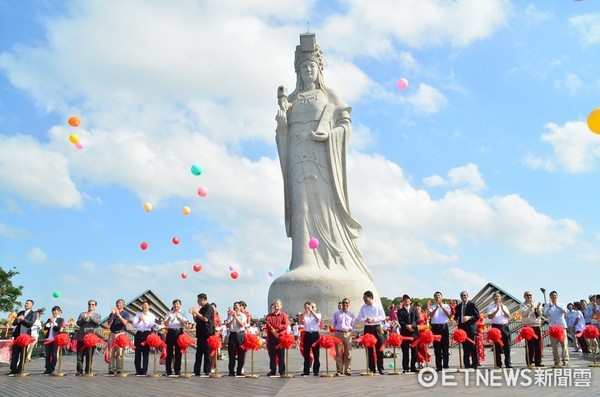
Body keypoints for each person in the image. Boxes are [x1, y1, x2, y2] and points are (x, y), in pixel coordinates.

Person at [274, 33, 372, 281]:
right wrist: (283, 122)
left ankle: (334, 260)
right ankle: (303, 261)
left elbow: (345, 125)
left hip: (323, 164)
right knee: (302, 210)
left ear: (319, 69)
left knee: (325, 210)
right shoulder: (292, 99)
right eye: (304, 66)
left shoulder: (330, 96)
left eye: (312, 66)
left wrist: (329, 135)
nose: (308, 70)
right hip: (298, 163)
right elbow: (281, 134)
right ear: (298, 71)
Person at [357, 290, 386, 374]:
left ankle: (380, 367)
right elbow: (359, 318)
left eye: (366, 297)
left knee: (379, 347)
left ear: (371, 297)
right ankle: (372, 368)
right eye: (363, 298)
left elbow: (383, 316)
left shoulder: (378, 305)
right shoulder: (363, 307)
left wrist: (374, 319)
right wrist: (365, 319)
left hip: (376, 327)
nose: (364, 299)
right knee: (369, 348)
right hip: (368, 328)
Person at [9, 299, 37, 375]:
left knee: (23, 353)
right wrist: (18, 319)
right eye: (25, 303)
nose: (26, 304)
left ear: (32, 305)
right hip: (17, 335)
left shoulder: (33, 313)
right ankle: (13, 369)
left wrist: (23, 319)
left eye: (28, 303)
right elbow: (14, 323)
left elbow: (30, 323)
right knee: (15, 353)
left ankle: (20, 369)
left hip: (25, 336)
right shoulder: (21, 312)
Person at [190, 293, 214, 377]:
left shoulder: (209, 307)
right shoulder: (202, 308)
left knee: (207, 353)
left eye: (198, 299)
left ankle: (207, 370)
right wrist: (193, 313)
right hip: (200, 334)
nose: (197, 301)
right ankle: (196, 371)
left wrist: (196, 312)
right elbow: (197, 319)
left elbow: (205, 318)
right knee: (198, 353)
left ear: (203, 299)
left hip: (207, 333)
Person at [74, 300, 101, 375]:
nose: (91, 306)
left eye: (93, 304)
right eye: (89, 304)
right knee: (80, 355)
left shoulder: (97, 315)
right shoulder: (82, 314)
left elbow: (98, 323)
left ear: (95, 306)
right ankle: (79, 371)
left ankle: (88, 370)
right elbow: (78, 323)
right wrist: (83, 318)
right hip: (81, 338)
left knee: (89, 356)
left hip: (91, 339)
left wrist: (91, 316)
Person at [486, 292, 512, 368]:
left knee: (507, 345)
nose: (497, 298)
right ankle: (498, 363)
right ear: (493, 298)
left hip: (504, 326)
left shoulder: (504, 306)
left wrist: (502, 309)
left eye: (498, 296)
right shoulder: (490, 307)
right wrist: (496, 310)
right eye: (495, 297)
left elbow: (508, 316)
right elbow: (490, 317)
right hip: (495, 327)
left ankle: (508, 363)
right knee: (496, 346)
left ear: (501, 298)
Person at [543, 290, 569, 367]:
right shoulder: (547, 305)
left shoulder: (561, 304)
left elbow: (564, 311)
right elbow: (545, 313)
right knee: (554, 346)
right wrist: (551, 306)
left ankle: (565, 360)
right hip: (553, 327)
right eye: (552, 296)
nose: (554, 297)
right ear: (550, 297)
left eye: (555, 295)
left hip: (561, 327)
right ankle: (556, 361)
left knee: (564, 345)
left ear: (557, 296)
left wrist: (556, 305)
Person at [265, 298, 289, 376]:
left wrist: (277, 330)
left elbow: (285, 324)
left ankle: (282, 370)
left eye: (278, 304)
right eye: (275, 304)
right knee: (272, 355)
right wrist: (273, 330)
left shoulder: (284, 315)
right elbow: (268, 324)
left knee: (281, 354)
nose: (276, 305)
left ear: (281, 306)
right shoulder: (269, 316)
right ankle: (273, 370)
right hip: (272, 337)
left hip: (281, 337)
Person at [456, 291, 480, 369]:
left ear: (467, 296)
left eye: (465, 295)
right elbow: (456, 316)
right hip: (462, 329)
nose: (463, 297)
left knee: (473, 347)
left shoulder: (472, 304)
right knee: (465, 348)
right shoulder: (458, 306)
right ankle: (466, 364)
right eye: (462, 295)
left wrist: (469, 317)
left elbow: (477, 316)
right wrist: (456, 319)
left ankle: (474, 364)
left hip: (471, 329)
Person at [163, 299, 188, 376]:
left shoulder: (183, 313)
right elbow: (165, 324)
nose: (176, 305)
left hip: (179, 331)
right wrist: (170, 318)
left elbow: (185, 324)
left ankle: (177, 370)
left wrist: (179, 318)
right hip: (170, 331)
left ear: (180, 305)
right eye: (174, 304)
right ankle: (168, 370)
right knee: (169, 351)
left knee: (178, 352)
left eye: (177, 304)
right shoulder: (169, 313)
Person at [332, 297, 355, 376]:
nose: (345, 304)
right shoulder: (336, 313)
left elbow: (353, 325)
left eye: (347, 303)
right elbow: (334, 324)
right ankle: (339, 370)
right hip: (338, 333)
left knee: (348, 352)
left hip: (348, 333)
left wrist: (348, 330)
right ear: (341, 304)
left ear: (349, 304)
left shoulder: (352, 315)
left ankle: (347, 369)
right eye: (344, 303)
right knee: (338, 353)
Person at [428, 291, 451, 372]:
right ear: (434, 298)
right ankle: (439, 366)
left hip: (444, 327)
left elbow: (449, 315)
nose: (438, 297)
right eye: (436, 296)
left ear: (442, 297)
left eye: (439, 296)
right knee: (437, 348)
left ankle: (446, 365)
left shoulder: (446, 305)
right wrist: (437, 307)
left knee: (445, 347)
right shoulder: (432, 306)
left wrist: (442, 307)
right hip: (435, 328)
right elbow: (430, 315)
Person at [519, 291, 543, 367]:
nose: (529, 296)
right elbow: (524, 314)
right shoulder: (522, 305)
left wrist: (538, 308)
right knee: (529, 345)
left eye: (530, 295)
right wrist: (530, 307)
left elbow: (540, 315)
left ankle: (538, 361)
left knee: (538, 345)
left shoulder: (536, 304)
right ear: (524, 296)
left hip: (536, 326)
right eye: (527, 295)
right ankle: (530, 361)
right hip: (528, 327)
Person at [107, 298, 130, 375]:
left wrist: (118, 315)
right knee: (111, 352)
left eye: (120, 303)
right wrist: (113, 314)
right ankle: (111, 369)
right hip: (112, 333)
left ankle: (119, 369)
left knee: (120, 353)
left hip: (120, 334)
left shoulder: (126, 314)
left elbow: (125, 323)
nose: (118, 304)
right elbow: (109, 323)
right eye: (117, 303)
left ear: (123, 305)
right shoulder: (112, 313)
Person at [132, 301, 156, 376]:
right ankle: (138, 371)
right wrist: (139, 320)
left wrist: (144, 320)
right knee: (137, 353)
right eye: (143, 305)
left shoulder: (152, 315)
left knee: (146, 353)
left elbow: (150, 325)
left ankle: (144, 370)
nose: (144, 307)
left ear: (149, 307)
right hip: (139, 333)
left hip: (146, 334)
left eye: (145, 305)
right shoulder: (138, 314)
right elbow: (134, 325)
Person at [397, 295, 418, 373]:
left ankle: (413, 366)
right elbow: (400, 320)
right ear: (403, 302)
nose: (406, 301)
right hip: (404, 333)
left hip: (413, 332)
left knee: (414, 351)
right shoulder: (400, 311)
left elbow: (417, 319)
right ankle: (405, 367)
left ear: (410, 301)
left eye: (408, 300)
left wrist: (412, 325)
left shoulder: (414, 309)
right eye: (405, 300)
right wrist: (406, 325)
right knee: (405, 351)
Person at [300, 301, 321, 376]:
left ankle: (316, 370)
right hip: (307, 334)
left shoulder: (318, 315)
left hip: (315, 334)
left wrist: (311, 311)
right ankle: (306, 370)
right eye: (310, 307)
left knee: (316, 353)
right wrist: (305, 312)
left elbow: (318, 319)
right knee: (306, 354)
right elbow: (301, 322)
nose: (310, 308)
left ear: (316, 308)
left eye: (313, 307)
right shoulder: (305, 316)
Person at [225, 301, 247, 376]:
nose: (235, 307)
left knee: (241, 354)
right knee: (231, 354)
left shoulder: (243, 315)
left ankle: (239, 371)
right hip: (232, 334)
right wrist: (232, 318)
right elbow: (227, 325)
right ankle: (231, 371)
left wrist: (237, 317)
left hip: (240, 335)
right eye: (234, 306)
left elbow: (242, 324)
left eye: (236, 306)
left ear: (240, 307)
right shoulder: (230, 315)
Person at [43, 306, 65, 375]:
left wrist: (54, 322)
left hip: (55, 339)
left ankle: (52, 368)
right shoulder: (49, 319)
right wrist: (49, 323)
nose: (54, 312)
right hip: (48, 339)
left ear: (58, 312)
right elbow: (45, 328)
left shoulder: (60, 319)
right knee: (47, 355)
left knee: (54, 354)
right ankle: (47, 369)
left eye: (56, 311)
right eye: (53, 311)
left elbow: (58, 327)